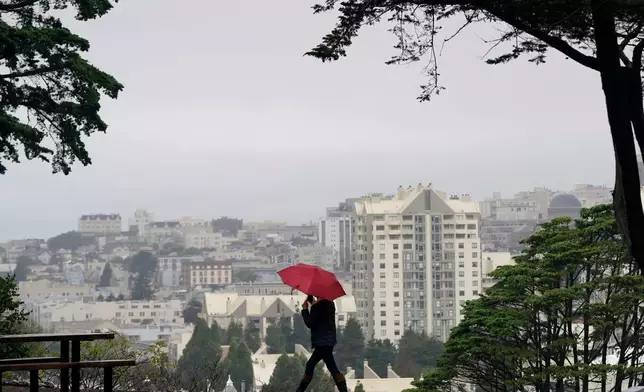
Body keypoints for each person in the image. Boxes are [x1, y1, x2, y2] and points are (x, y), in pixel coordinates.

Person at [295, 295, 347, 392]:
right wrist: (313, 304)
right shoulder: (330, 304)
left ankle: (300, 390)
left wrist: (305, 309)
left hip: (321, 342)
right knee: (330, 366)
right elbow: (322, 319)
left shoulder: (317, 306)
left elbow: (309, 323)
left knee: (312, 365)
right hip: (329, 342)